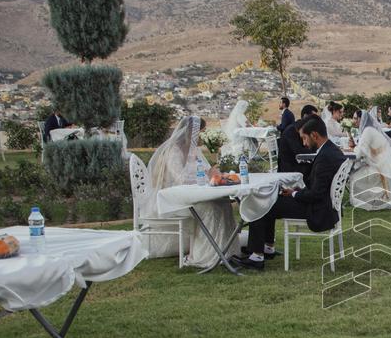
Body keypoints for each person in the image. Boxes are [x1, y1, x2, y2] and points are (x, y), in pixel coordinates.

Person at [236, 117, 346, 271]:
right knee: (272, 199)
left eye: (304, 138)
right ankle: (267, 248)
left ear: (314, 135)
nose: (304, 143)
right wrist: (295, 192)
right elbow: (318, 189)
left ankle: (257, 256)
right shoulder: (331, 150)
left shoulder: (325, 157)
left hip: (318, 209)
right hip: (323, 205)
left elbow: (315, 194)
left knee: (261, 202)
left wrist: (295, 195)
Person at [147, 116, 237, 269]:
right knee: (209, 208)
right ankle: (205, 255)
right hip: (174, 198)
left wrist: (213, 172)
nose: (200, 136)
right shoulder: (173, 151)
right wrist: (201, 176)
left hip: (193, 194)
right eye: (199, 132)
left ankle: (226, 251)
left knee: (223, 203)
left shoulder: (193, 149)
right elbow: (179, 179)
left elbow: (205, 169)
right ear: (190, 132)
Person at [279, 104, 318, 179]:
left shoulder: (303, 128)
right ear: (305, 116)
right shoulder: (291, 131)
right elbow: (299, 151)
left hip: (299, 163)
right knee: (319, 168)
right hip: (290, 168)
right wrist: (318, 152)